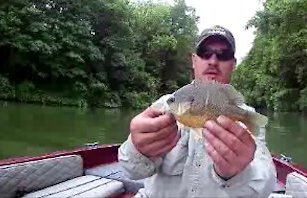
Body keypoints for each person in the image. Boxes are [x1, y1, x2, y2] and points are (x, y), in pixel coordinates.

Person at [118, 25, 277, 198]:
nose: (213, 61)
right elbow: (131, 172)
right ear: (194, 60)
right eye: (205, 53)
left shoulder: (244, 115)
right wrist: (139, 149)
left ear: (233, 65)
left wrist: (238, 174)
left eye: (223, 55)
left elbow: (265, 185)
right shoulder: (166, 105)